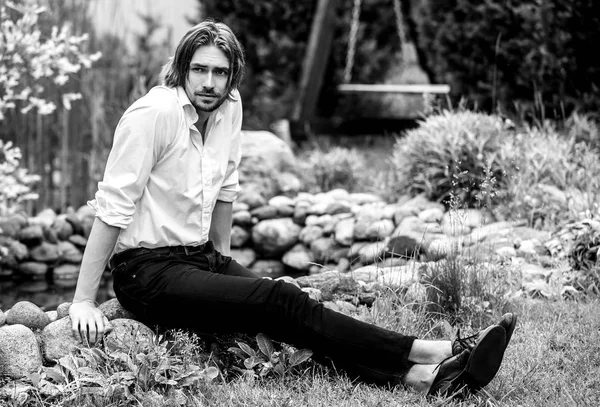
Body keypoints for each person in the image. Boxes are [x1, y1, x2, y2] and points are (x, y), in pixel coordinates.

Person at [69, 19, 516, 398]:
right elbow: (113, 207)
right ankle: (429, 350)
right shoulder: (152, 115)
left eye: (219, 73)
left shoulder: (229, 108)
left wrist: (221, 264)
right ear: (182, 69)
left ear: (233, 76)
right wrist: (84, 300)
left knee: (292, 305)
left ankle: (420, 380)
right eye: (199, 70)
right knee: (277, 298)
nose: (209, 83)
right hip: (145, 272)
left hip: (197, 257)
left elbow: (225, 188)